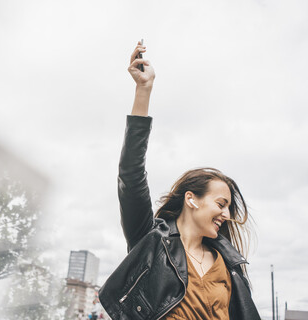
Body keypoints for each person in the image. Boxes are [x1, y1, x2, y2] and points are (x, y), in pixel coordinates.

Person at [99, 42, 261, 320]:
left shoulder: (229, 264)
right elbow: (131, 175)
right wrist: (143, 90)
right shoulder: (150, 243)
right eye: (221, 203)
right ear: (191, 199)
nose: (226, 214)